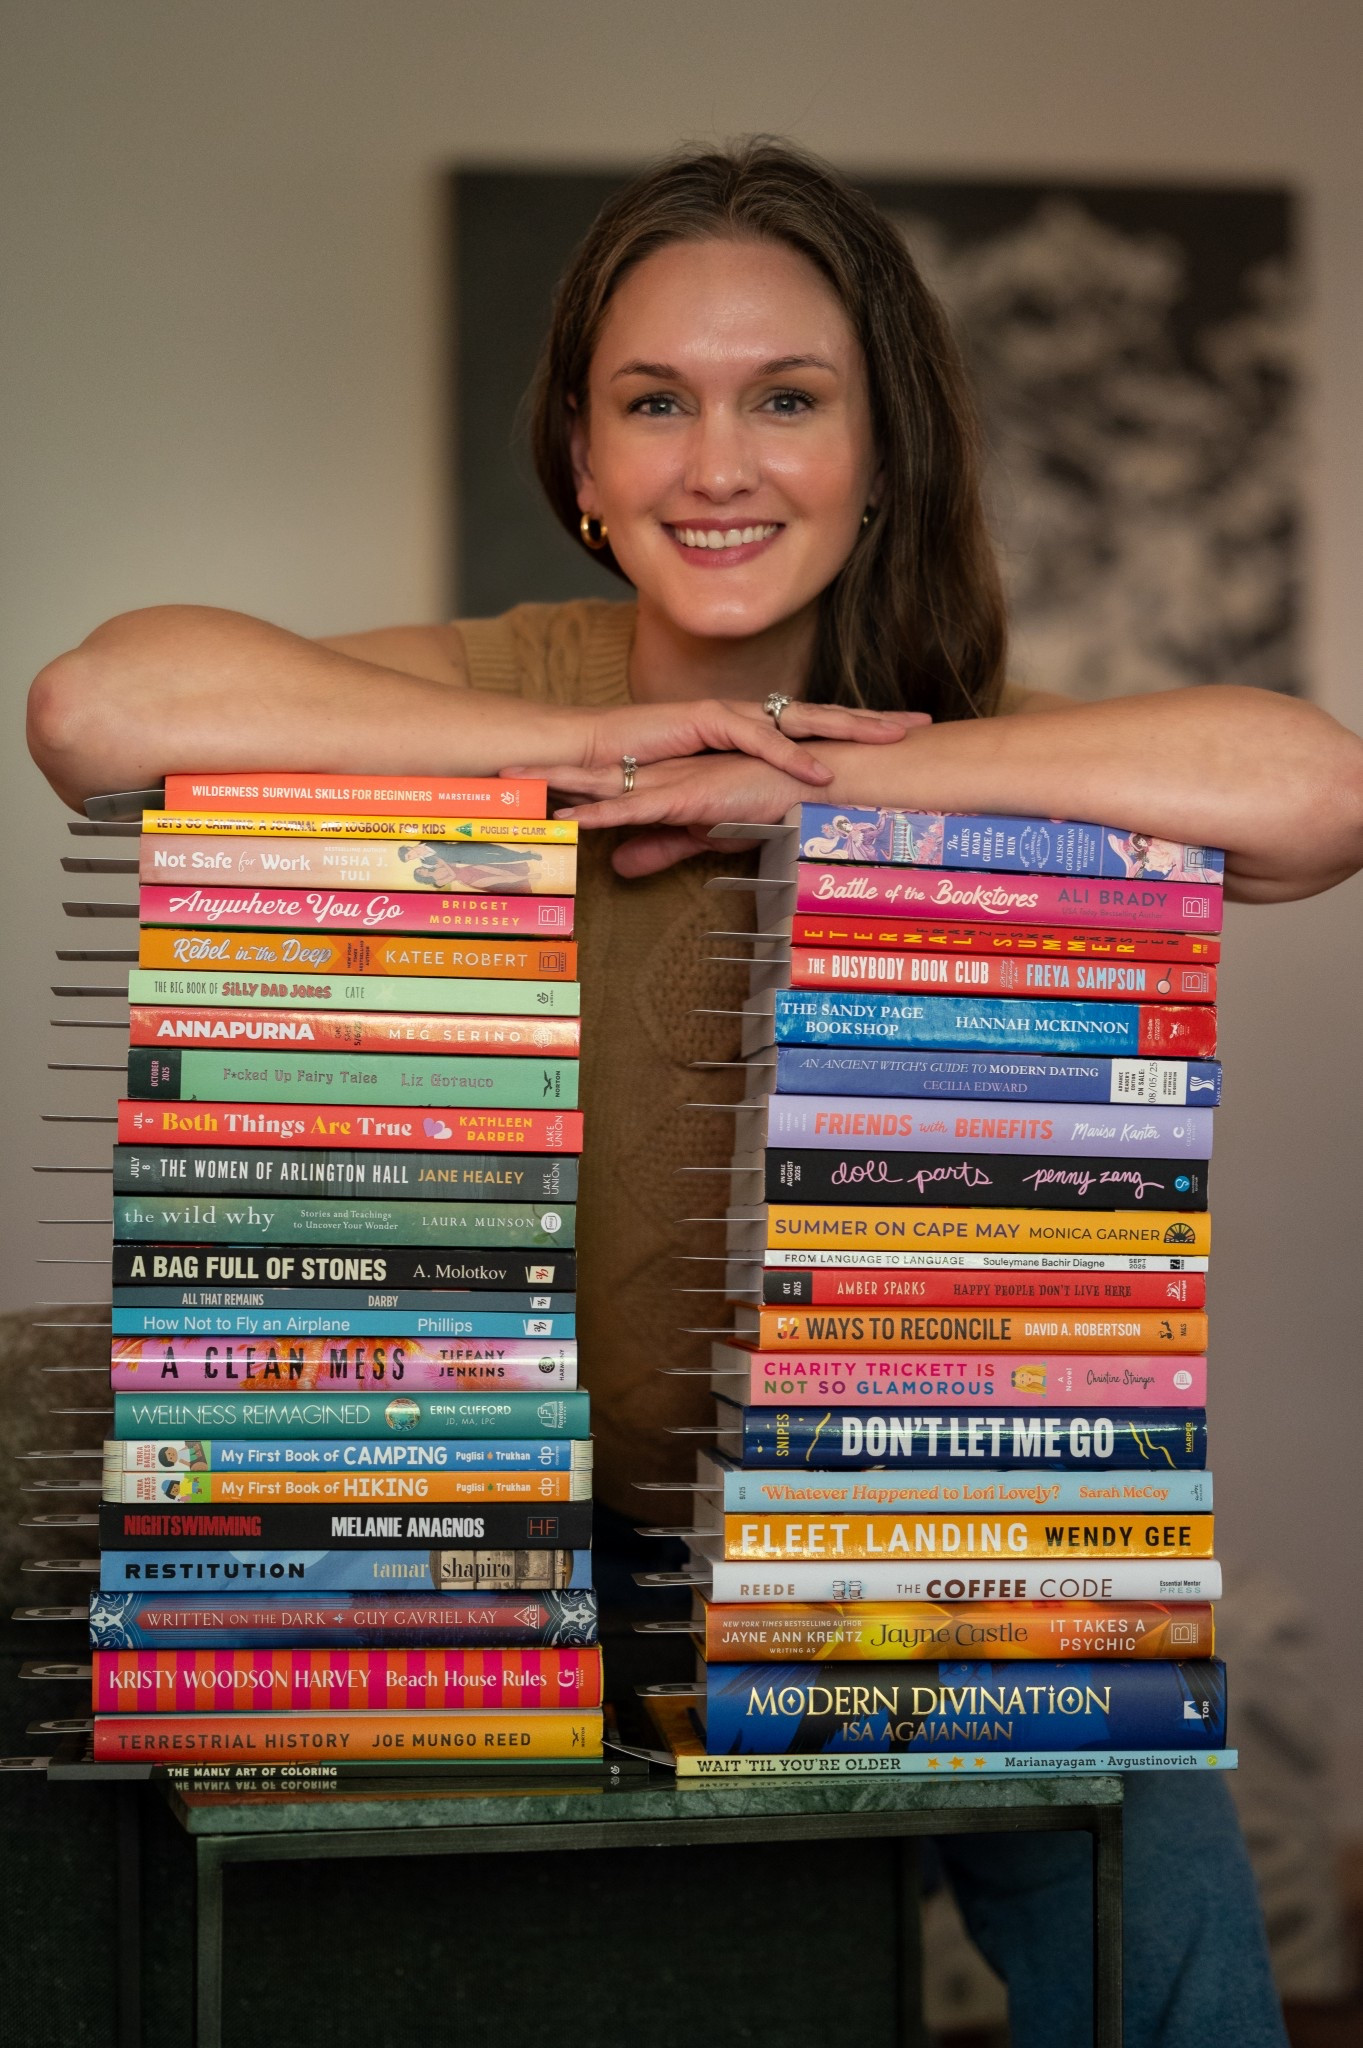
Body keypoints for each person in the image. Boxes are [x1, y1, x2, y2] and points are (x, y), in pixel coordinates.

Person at [27, 139, 1363, 2048]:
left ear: (883, 450)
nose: (717, 463)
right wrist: (589, 749)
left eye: (788, 400)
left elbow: (1319, 795)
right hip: (469, 1548)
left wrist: (819, 787)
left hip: (897, 1543)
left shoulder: (976, 744)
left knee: (1158, 1891)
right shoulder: (489, 685)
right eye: (656, 402)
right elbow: (96, 711)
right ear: (583, 463)